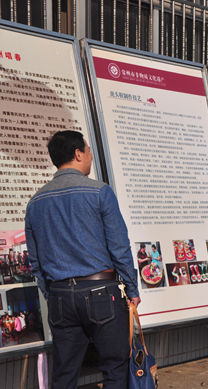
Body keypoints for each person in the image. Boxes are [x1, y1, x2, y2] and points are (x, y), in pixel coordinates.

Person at [25, 130, 140, 388]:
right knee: (115, 367)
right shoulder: (100, 192)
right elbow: (119, 247)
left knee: (65, 373)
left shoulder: (35, 203)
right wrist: (131, 288)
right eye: (88, 151)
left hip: (60, 297)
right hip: (102, 292)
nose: (90, 156)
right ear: (78, 154)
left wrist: (52, 293)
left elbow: (36, 262)